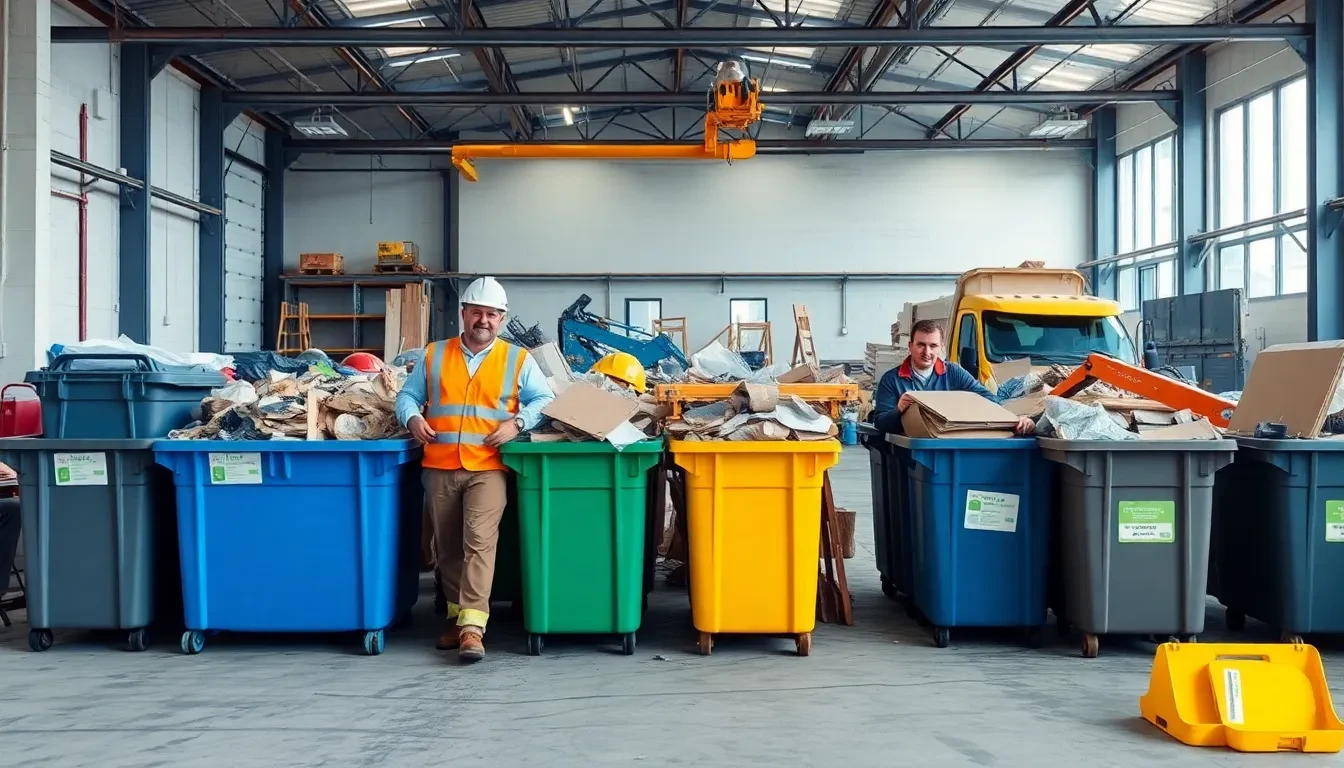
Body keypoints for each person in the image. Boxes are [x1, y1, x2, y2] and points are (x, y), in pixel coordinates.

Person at [395, 276, 555, 662]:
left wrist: (516, 424)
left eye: (492, 315)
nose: (484, 320)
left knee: (479, 543)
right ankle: (455, 618)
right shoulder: (434, 354)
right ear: (463, 315)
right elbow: (408, 395)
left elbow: (543, 399)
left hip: (488, 467)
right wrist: (412, 418)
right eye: (477, 313)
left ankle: (472, 629)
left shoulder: (518, 359)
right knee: (446, 548)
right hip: (440, 465)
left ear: (502, 319)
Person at [872, 319, 1035, 436]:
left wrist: (1016, 419)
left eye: (933, 346)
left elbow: (989, 400)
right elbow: (880, 424)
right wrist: (899, 409)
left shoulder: (954, 373)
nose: (927, 352)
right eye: (921, 345)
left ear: (941, 347)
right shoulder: (892, 379)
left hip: (947, 448)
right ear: (910, 346)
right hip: (908, 455)